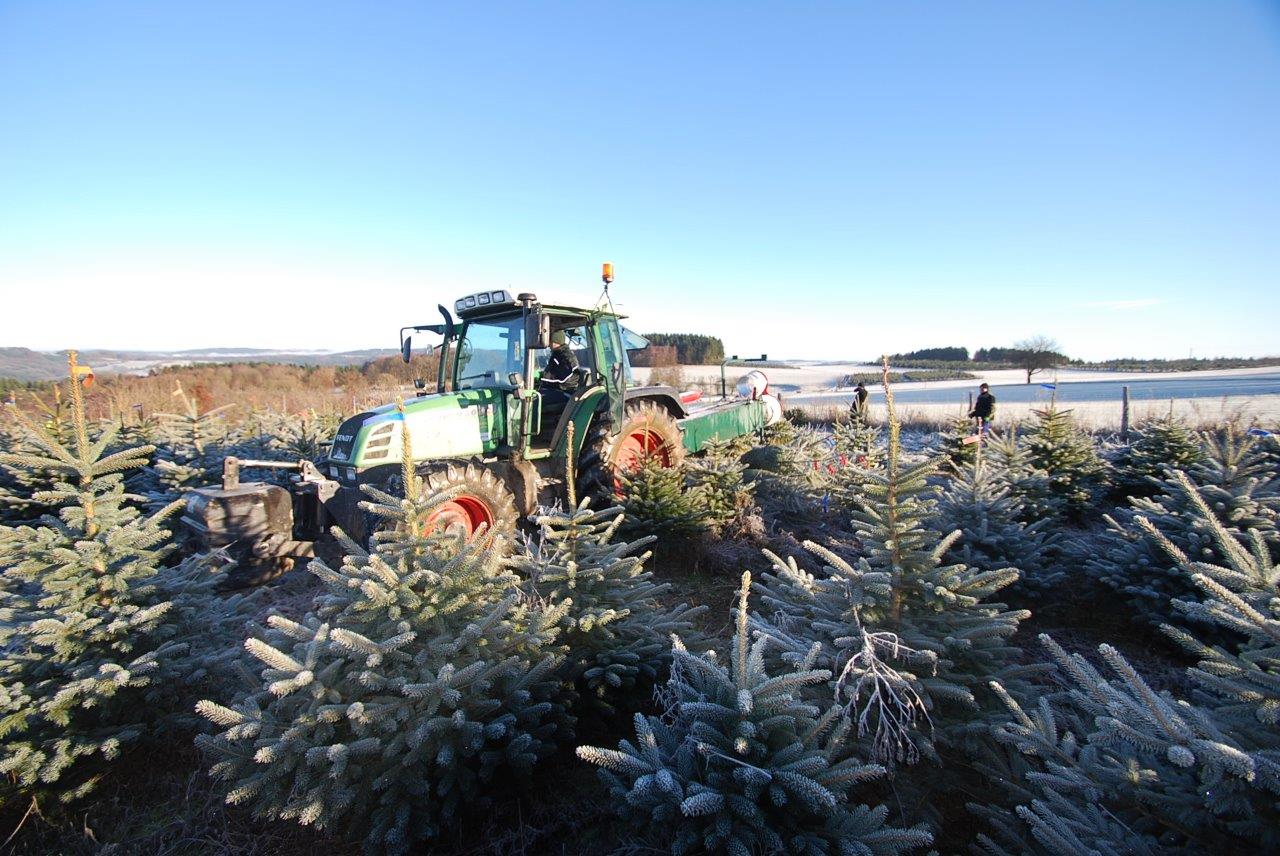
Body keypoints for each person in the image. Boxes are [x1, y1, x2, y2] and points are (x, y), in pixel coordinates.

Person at [537, 330, 580, 433]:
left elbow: (567, 378)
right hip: (557, 388)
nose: (548, 344)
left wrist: (545, 380)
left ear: (554, 341)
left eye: (549, 340)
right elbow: (554, 372)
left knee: (534, 401)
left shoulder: (564, 356)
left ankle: (537, 433)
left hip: (565, 391)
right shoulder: (557, 354)